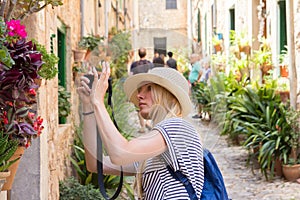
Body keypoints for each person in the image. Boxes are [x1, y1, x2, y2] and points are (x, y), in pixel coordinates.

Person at [77, 65, 204, 199]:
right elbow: (96, 164)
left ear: (171, 96)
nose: (139, 95)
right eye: (139, 90)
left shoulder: (178, 127)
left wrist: (98, 102)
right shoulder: (152, 155)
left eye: (149, 88)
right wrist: (88, 105)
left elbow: (120, 154)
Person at [129, 48, 153, 132]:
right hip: (148, 88)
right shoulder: (149, 64)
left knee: (139, 107)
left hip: (137, 88)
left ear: (138, 54)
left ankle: (142, 126)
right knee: (150, 105)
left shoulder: (134, 64)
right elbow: (152, 75)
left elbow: (130, 76)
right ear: (145, 54)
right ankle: (148, 122)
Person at [188, 53, 204, 119]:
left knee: (198, 98)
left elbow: (200, 72)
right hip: (193, 83)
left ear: (195, 58)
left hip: (195, 83)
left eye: (191, 58)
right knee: (195, 98)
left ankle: (199, 113)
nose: (190, 60)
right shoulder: (195, 65)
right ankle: (198, 113)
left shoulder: (197, 64)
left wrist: (197, 80)